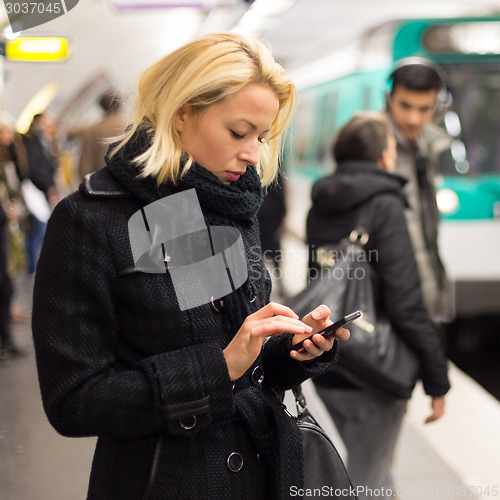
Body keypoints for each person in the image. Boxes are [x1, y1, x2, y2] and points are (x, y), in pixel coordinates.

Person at [31, 33, 349, 500]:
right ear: (181, 114)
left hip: (262, 473)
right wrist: (218, 368)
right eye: (238, 133)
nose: (253, 153)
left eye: (261, 137)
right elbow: (74, 400)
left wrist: (292, 350)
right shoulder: (93, 219)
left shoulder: (224, 206)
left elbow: (231, 353)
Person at [307, 111, 450, 500]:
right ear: (385, 157)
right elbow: (405, 302)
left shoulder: (319, 204)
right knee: (370, 482)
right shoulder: (385, 205)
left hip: (333, 362)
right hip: (377, 369)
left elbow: (321, 286)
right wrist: (437, 377)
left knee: (370, 472)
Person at [385, 57, 453, 324]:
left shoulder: (433, 145)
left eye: (424, 108)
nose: (414, 118)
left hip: (425, 287)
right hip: (393, 295)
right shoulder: (371, 141)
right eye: (405, 105)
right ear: (389, 97)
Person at [22, 113, 59, 273]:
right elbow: (36, 168)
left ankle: (37, 267)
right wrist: (49, 186)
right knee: (38, 230)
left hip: (40, 188)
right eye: (45, 122)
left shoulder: (41, 139)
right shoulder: (31, 141)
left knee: (41, 229)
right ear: (37, 122)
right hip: (36, 191)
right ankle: (34, 268)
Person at [77, 90, 128, 179]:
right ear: (120, 104)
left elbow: (84, 166)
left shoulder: (92, 131)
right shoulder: (132, 127)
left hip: (102, 185)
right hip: (129, 185)